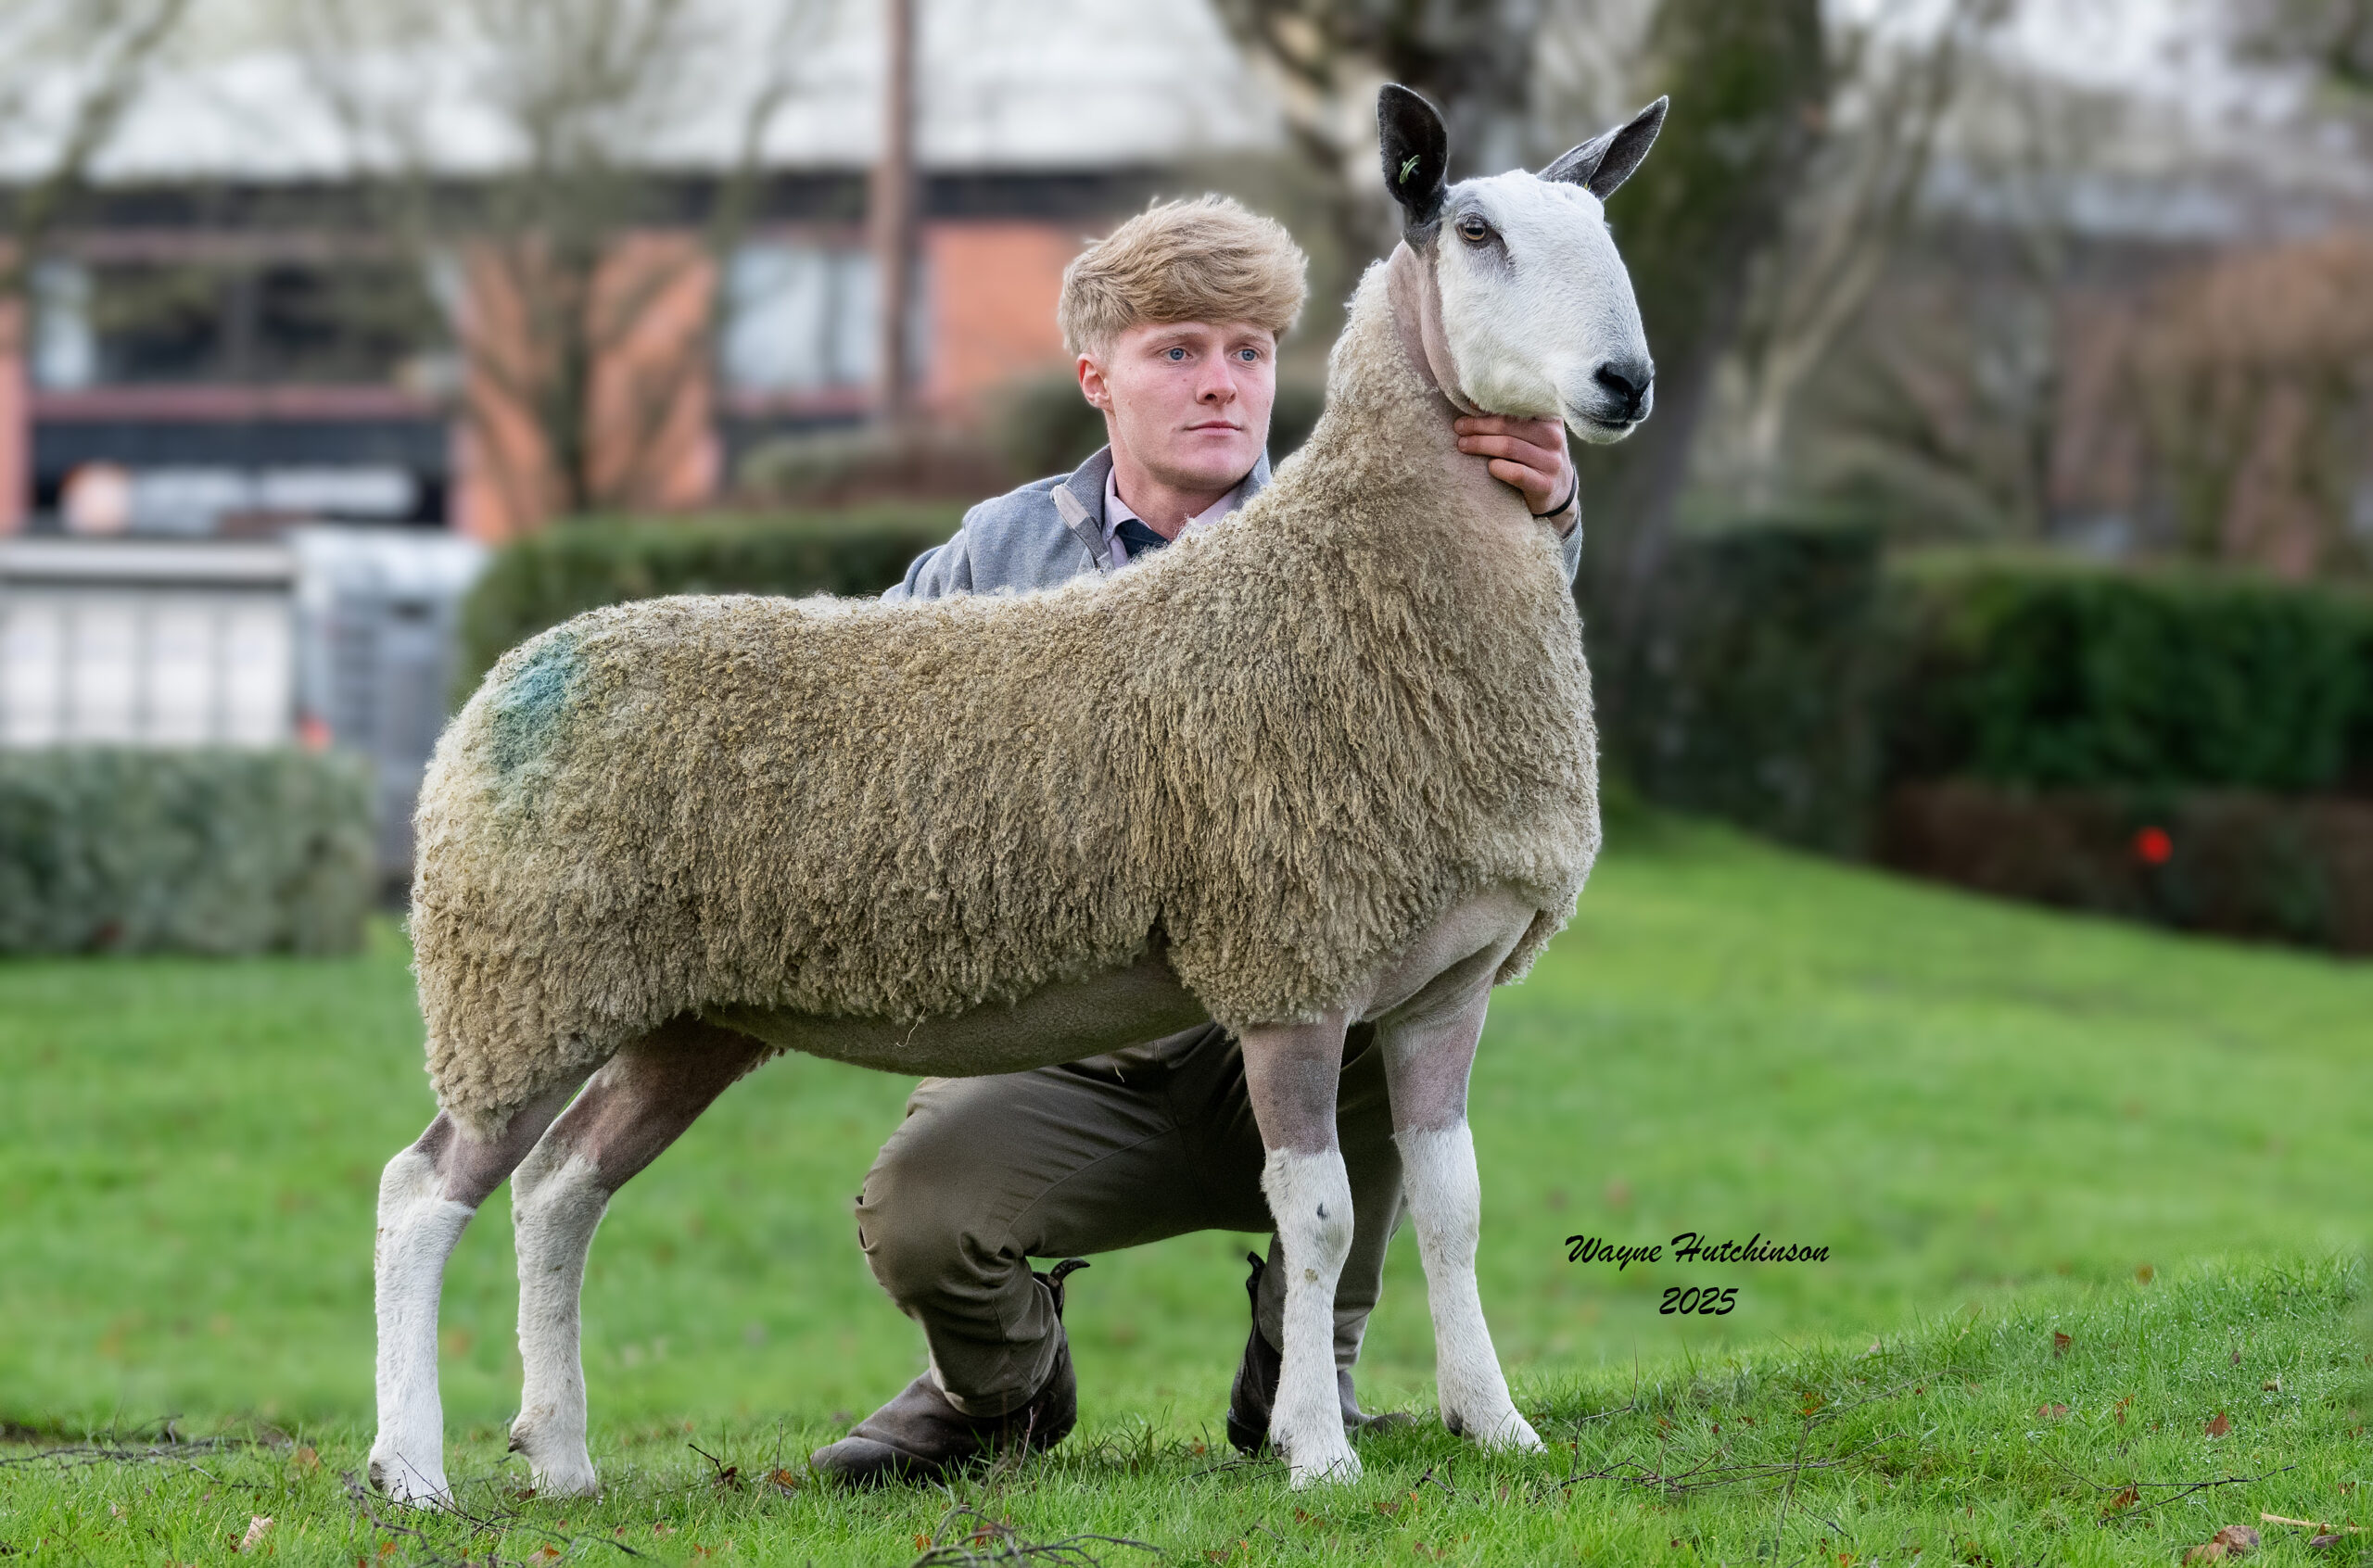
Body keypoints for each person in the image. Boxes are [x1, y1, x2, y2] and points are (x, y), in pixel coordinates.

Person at [809, 195, 1582, 1484]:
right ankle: (996, 1392)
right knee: (921, 1216)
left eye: (1250, 352)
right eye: (1179, 352)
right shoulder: (997, 554)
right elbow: (858, 721)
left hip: (1287, 1031)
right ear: (1095, 376)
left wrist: (1546, 520)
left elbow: (1507, 677)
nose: (1223, 385)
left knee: (1403, 1056)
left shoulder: (1371, 534)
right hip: (1067, 1041)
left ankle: (1305, 1373)